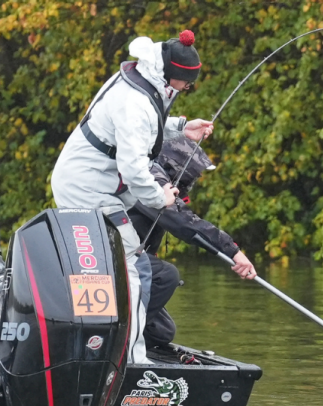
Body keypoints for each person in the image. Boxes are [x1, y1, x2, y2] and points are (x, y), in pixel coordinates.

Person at [51, 30, 213, 363]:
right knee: (132, 269)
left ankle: (100, 345)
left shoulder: (143, 76)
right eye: (188, 84)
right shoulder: (136, 101)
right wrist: (160, 197)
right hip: (87, 189)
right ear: (173, 76)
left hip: (93, 183)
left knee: (111, 266)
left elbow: (145, 126)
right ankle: (131, 360)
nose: (186, 89)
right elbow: (135, 169)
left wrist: (182, 127)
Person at [128, 137, 256, 348]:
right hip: (117, 258)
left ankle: (136, 339)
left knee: (162, 331)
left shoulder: (162, 182)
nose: (196, 180)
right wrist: (232, 251)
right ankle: (123, 338)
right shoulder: (151, 183)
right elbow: (184, 223)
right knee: (166, 275)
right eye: (195, 174)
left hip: (134, 261)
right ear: (177, 168)